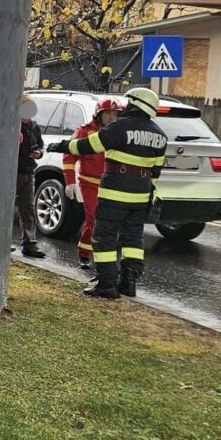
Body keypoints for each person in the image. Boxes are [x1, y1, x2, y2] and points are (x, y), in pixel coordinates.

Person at [66, 85, 167, 300]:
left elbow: (90, 145)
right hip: (141, 196)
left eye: (129, 103)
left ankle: (106, 284)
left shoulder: (120, 128)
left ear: (137, 105)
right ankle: (128, 283)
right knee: (133, 239)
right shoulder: (160, 135)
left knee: (104, 237)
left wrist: (63, 146)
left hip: (115, 194)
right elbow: (155, 172)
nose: (126, 108)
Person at [62, 97, 121, 272]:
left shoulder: (119, 134)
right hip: (90, 183)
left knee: (110, 222)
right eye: (108, 113)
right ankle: (84, 253)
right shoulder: (83, 132)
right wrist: (70, 181)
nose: (112, 117)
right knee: (94, 219)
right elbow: (69, 155)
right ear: (98, 114)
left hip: (112, 184)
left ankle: (105, 257)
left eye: (115, 114)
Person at [14, 97, 46, 257]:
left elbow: (40, 145)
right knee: (6, 208)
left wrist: (39, 153)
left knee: (28, 208)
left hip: (28, 171)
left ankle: (30, 243)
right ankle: (4, 240)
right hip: (13, 171)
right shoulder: (13, 125)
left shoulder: (34, 127)